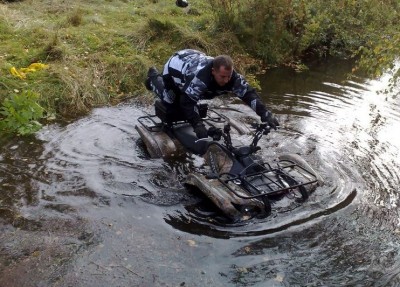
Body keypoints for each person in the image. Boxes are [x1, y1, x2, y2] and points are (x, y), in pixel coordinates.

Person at [145, 49, 279, 139]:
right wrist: (198, 125)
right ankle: (153, 79)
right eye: (223, 77)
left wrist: (265, 113)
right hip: (176, 66)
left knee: (196, 95)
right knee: (170, 100)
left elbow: (249, 94)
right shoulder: (200, 78)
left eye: (228, 76)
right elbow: (187, 102)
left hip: (195, 58)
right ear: (213, 71)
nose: (226, 80)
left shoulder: (232, 78)